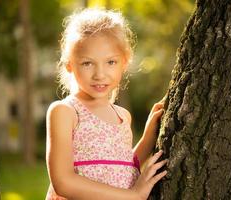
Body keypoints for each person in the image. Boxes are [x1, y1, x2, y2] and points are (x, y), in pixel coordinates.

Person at [45, 8, 167, 200]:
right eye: (87, 63)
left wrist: (147, 139)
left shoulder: (122, 115)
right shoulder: (65, 111)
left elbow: (121, 168)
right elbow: (63, 182)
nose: (99, 74)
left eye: (110, 62)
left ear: (124, 62)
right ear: (69, 64)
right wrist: (133, 196)